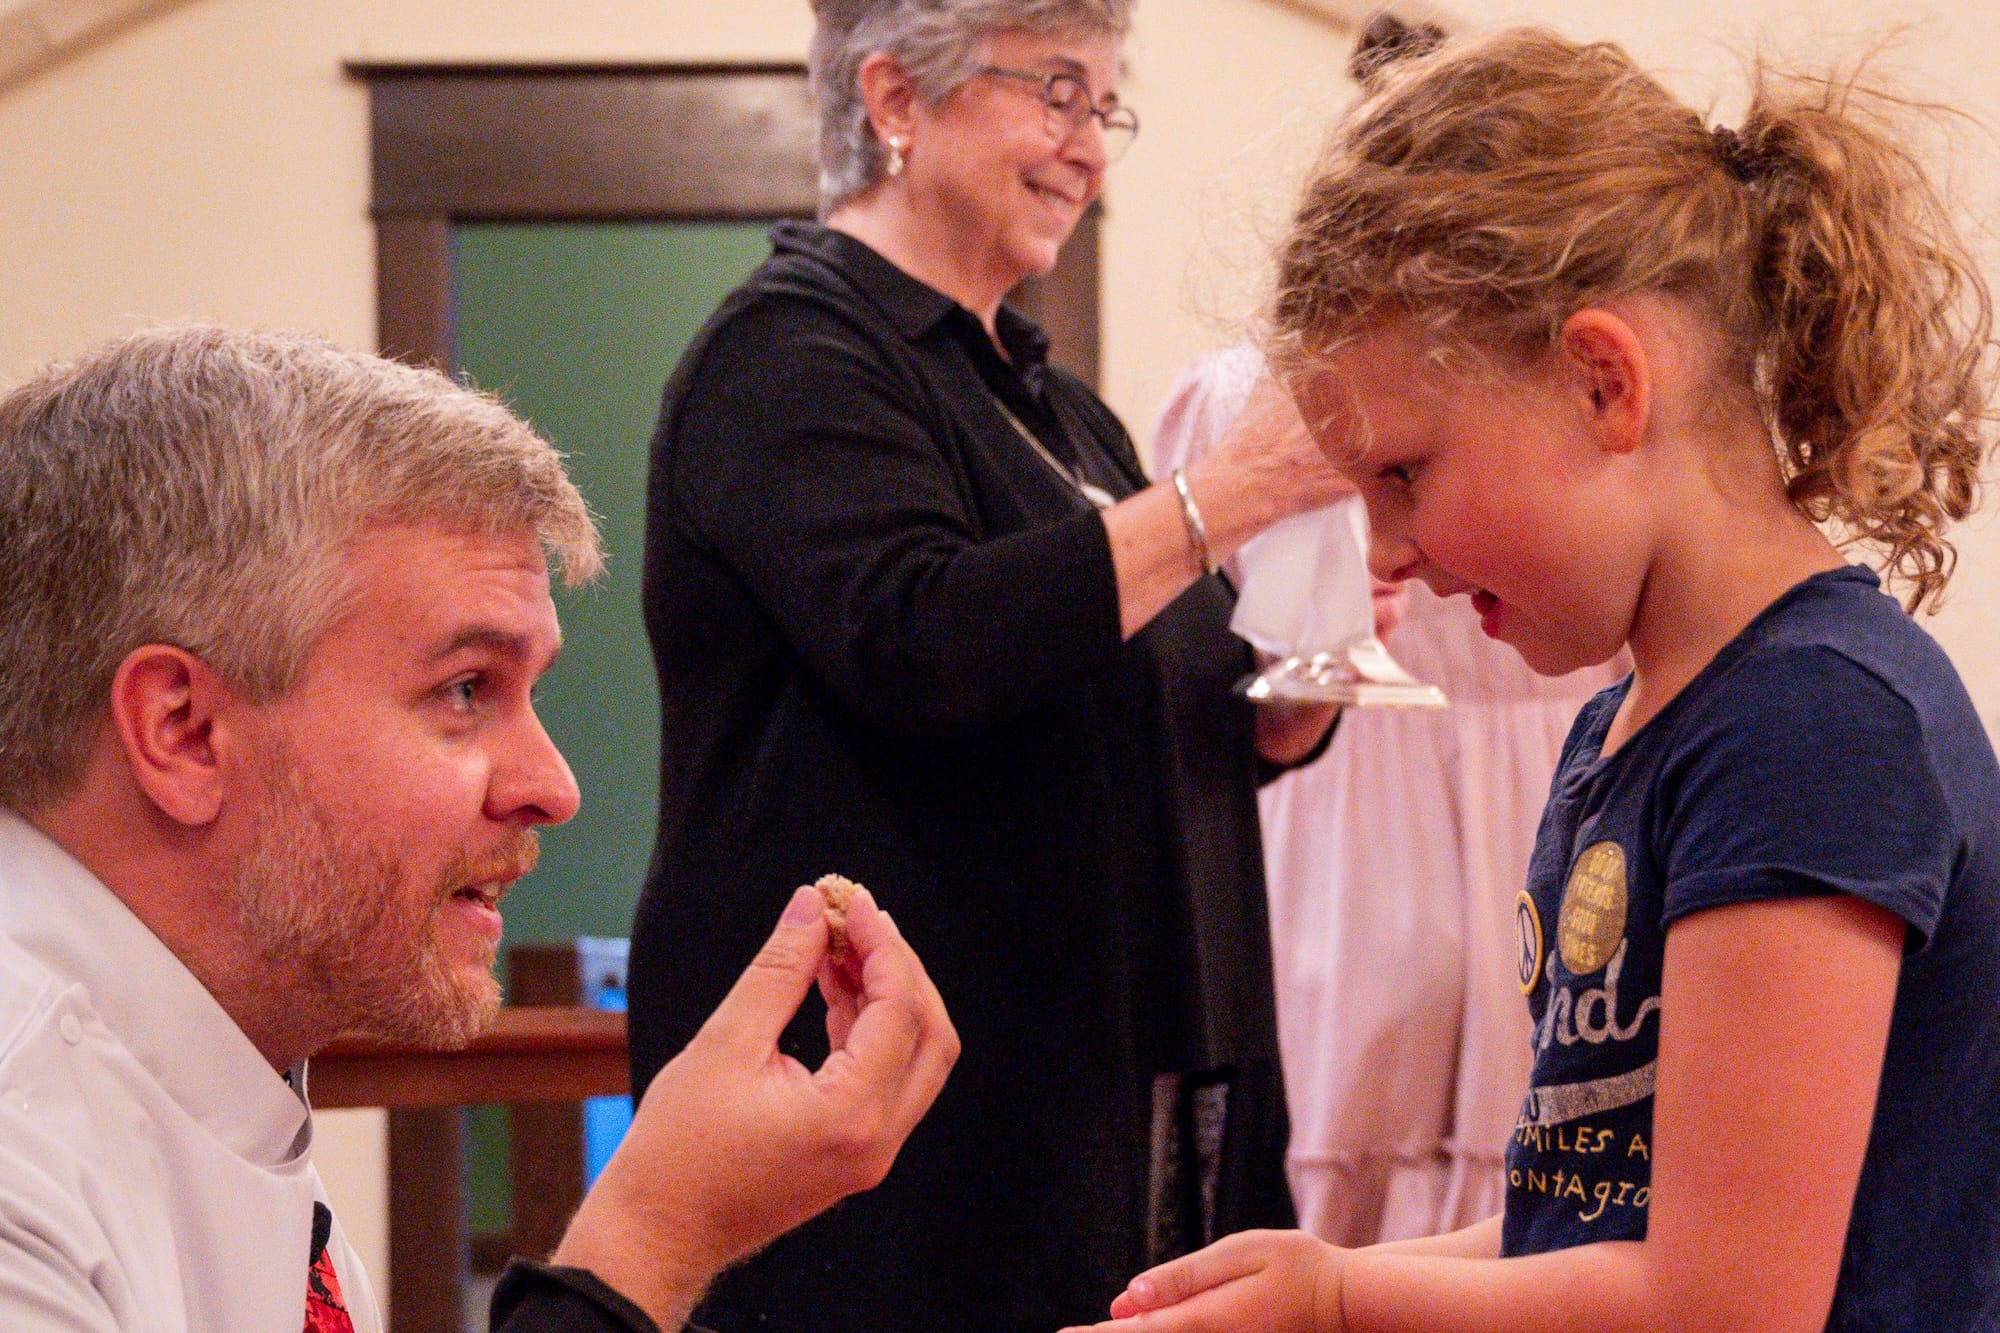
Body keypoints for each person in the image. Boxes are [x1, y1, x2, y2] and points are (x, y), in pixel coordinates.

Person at [1063, 20, 2000, 1333]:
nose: (1386, 549)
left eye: (1403, 474)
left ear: (1603, 382)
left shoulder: (1811, 727)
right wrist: (1317, 1267)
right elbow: (1584, 1217)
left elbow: (1724, 1302)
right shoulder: (1628, 723)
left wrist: (1339, 1303)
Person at [625, 1, 1355, 1328]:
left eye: (1104, 105)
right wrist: (1231, 491)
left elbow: (1160, 704)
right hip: (908, 1151)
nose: (1090, 147)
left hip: (1126, 1090)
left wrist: (1298, 688)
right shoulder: (786, 356)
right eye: (1056, 92)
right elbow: (922, 640)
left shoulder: (1058, 410)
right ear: (895, 98)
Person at [0, 324, 959, 1333]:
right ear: (185, 732)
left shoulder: (215, 1076)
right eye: (465, 689)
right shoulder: (24, 1155)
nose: (554, 787)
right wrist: (650, 1234)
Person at [1153, 345, 1625, 1248]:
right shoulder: (1245, 393)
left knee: (1545, 1139)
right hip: (1353, 817)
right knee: (1356, 1129)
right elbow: (1205, 681)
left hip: (1557, 791)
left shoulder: (1562, 373)